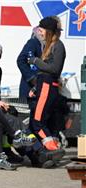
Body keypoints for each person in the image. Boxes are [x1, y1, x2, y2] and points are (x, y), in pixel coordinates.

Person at [27, 16, 67, 152]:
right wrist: (36, 87)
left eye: (42, 29)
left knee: (37, 122)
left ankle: (53, 149)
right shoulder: (49, 45)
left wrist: (36, 61)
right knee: (40, 121)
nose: (39, 32)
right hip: (44, 86)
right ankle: (50, 149)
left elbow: (54, 69)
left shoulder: (58, 45)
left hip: (48, 87)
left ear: (49, 31)